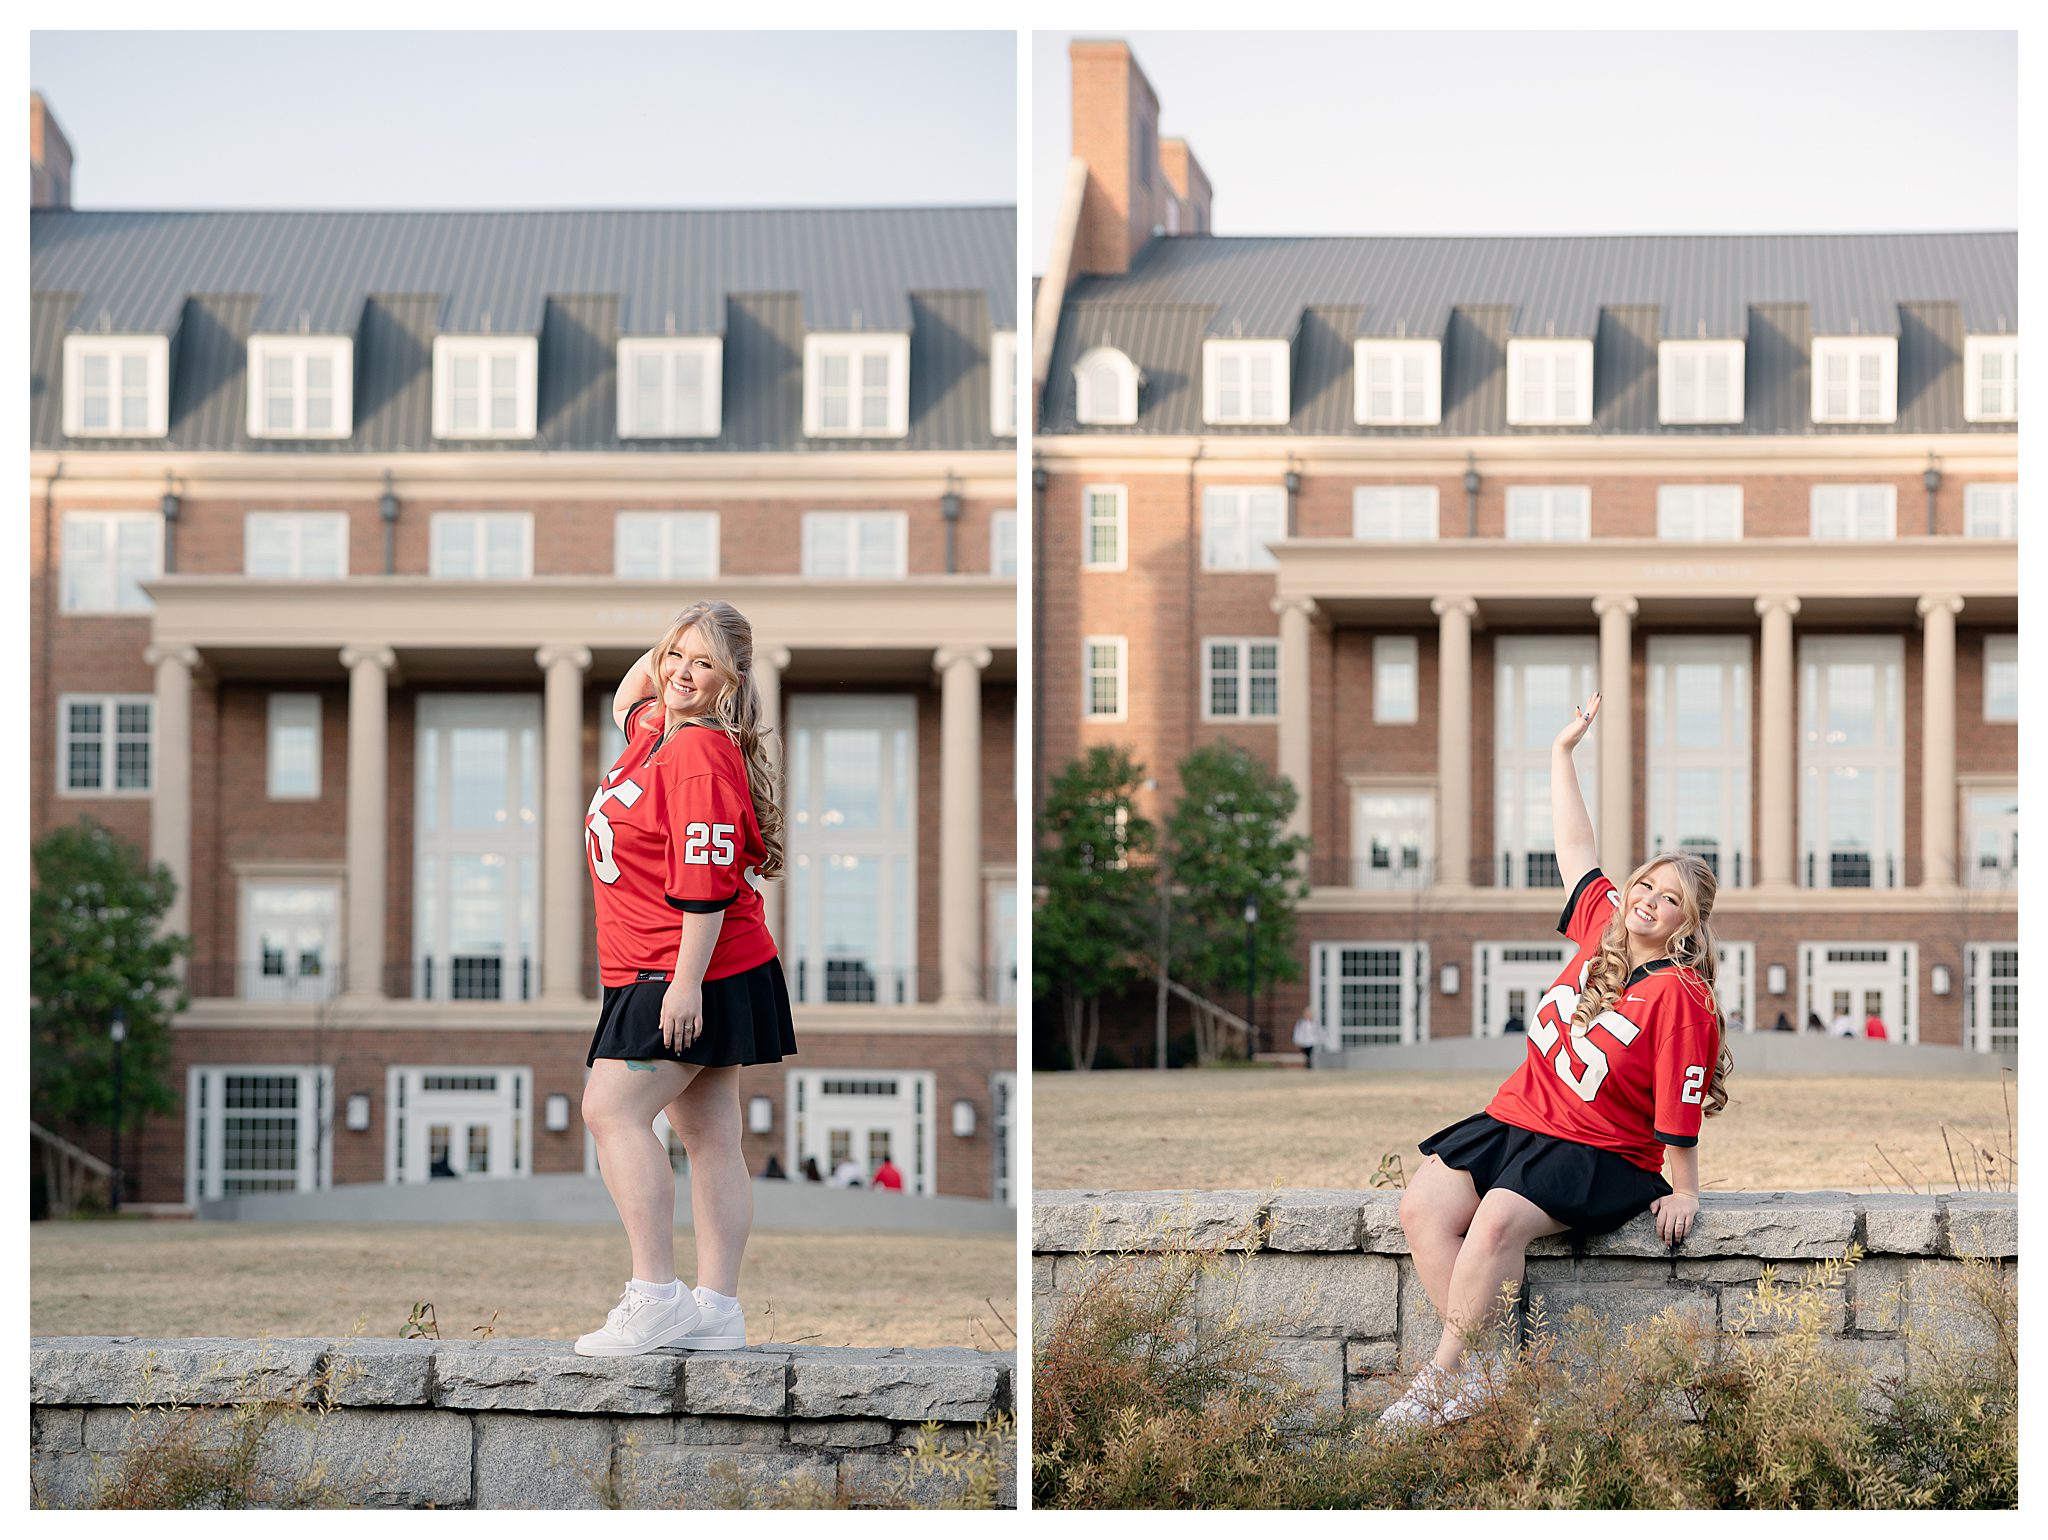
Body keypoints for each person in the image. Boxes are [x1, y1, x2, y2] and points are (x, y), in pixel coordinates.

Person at [1381, 692, 1730, 1431]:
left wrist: (1687, 1190)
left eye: (1668, 900)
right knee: (1422, 1207)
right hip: (1520, 1120)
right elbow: (1577, 847)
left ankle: (1438, 1383)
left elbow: (1683, 1097)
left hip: (1599, 1152)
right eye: (1646, 884)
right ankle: (1495, 1374)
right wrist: (1560, 754)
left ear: (1687, 925)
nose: (1647, 902)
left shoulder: (1681, 996)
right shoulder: (1600, 922)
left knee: (1499, 1220)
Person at [574, 601, 796, 1358]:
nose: (681, 674)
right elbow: (628, 693)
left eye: (705, 665)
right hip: (663, 962)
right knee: (707, 1134)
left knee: (610, 1110)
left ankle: (656, 1296)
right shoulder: (651, 732)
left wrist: (684, 985)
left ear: (731, 682)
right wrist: (684, 637)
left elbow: (703, 883)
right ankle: (717, 1310)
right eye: (676, 657)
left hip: (684, 966)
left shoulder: (699, 751)